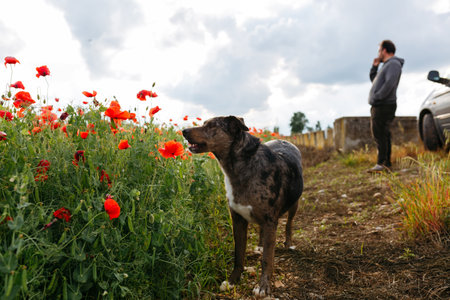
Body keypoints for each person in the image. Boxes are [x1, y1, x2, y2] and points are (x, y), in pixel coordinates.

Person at [367, 40, 404, 173]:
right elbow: (375, 82)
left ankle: (382, 164)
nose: (378, 53)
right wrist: (374, 67)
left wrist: (377, 97)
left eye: (379, 50)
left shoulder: (393, 64)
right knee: (382, 133)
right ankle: (385, 164)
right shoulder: (387, 65)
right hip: (382, 104)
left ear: (384, 50)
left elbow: (389, 84)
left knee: (380, 134)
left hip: (384, 104)